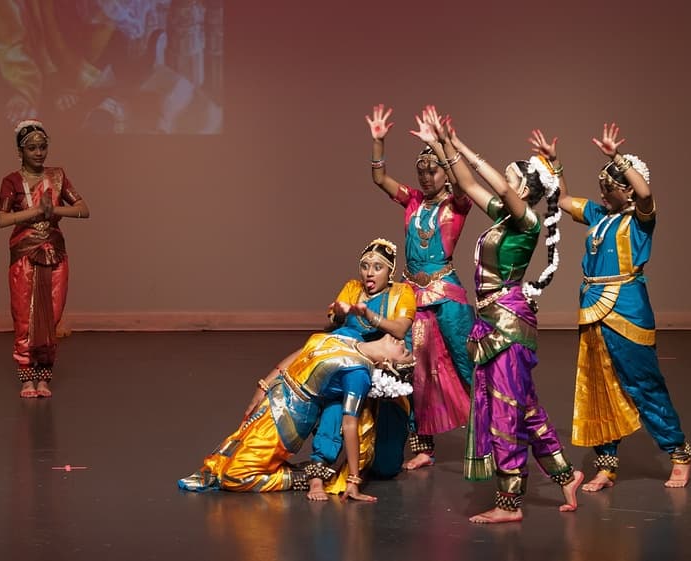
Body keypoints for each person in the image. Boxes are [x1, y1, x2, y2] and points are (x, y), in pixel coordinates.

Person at [413, 106, 582, 523]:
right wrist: (443, 142)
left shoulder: (526, 221)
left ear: (523, 190)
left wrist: (462, 145)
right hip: (492, 322)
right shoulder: (506, 217)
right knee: (522, 404)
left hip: (507, 322)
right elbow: (468, 183)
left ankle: (510, 502)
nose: (504, 183)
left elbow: (486, 177)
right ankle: (564, 475)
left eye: (512, 179)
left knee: (505, 408)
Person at [531, 124, 691, 491]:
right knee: (599, 387)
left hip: (627, 310)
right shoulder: (599, 216)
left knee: (644, 385)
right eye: (601, 185)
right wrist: (555, 165)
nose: (602, 192)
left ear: (628, 193)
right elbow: (567, 198)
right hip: (592, 308)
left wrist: (617, 157)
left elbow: (647, 193)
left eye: (610, 187)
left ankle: (678, 453)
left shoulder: (641, 221)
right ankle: (607, 465)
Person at [365, 104, 475, 470]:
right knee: (412, 368)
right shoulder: (412, 200)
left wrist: (442, 147)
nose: (427, 177)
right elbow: (380, 180)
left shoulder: (458, 203)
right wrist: (379, 143)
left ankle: (488, 434)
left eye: (434, 171)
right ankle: (422, 445)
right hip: (412, 294)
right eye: (421, 171)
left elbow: (463, 183)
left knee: (464, 364)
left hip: (446, 295)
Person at [177, 333, 415, 502]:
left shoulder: (359, 374)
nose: (402, 342)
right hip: (274, 396)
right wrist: (263, 386)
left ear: (387, 364)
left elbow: (349, 423)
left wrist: (353, 479)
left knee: (236, 476)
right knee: (227, 458)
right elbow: (300, 353)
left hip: (291, 417)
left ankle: (301, 476)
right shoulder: (348, 338)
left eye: (403, 352)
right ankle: (303, 472)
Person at [306, 238, 416, 501]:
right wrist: (341, 313)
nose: (369, 272)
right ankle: (317, 476)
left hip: (384, 374)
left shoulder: (401, 292)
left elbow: (401, 330)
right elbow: (334, 319)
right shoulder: (352, 288)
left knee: (386, 467)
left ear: (390, 272)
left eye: (378, 267)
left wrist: (370, 316)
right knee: (335, 410)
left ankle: (362, 463)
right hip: (350, 367)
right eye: (365, 265)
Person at [0, 119, 90, 398]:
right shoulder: (11, 181)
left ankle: (44, 375)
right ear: (21, 151)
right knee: (24, 316)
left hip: (54, 253)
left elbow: (84, 210)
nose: (38, 152)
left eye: (42, 146)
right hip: (25, 255)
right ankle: (27, 376)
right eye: (32, 148)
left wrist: (55, 211)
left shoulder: (58, 176)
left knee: (52, 314)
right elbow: (2, 219)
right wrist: (36, 211)